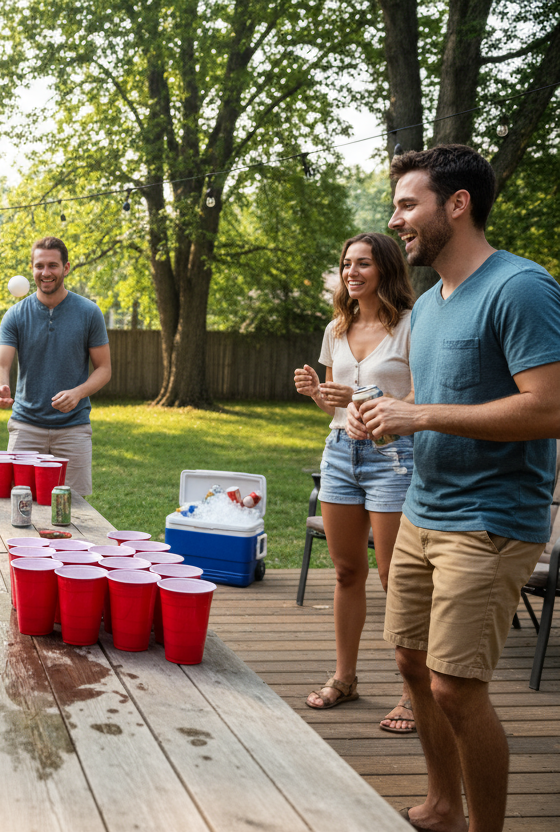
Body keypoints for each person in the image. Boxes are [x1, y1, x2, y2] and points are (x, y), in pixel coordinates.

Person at [353, 144, 560, 832]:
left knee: (456, 687)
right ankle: (443, 806)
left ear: (458, 204)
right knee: (413, 665)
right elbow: (432, 398)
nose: (397, 219)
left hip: (490, 519)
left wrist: (419, 412)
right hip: (423, 509)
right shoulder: (434, 303)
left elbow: (549, 406)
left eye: (408, 205)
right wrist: (386, 417)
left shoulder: (520, 287)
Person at [293, 232, 416, 733]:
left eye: (363, 263)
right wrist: (317, 395)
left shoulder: (411, 327)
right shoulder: (336, 327)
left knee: (396, 577)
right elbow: (335, 403)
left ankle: (414, 695)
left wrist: (360, 396)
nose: (352, 272)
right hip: (340, 455)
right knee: (347, 572)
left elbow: (419, 400)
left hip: (393, 459)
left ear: (385, 268)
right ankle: (346, 678)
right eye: (347, 263)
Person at [0, 236, 111, 496]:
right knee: (19, 503)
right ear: (32, 268)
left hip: (74, 428)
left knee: (75, 509)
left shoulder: (89, 312)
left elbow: (104, 369)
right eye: (39, 266)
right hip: (25, 426)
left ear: (66, 268)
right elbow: (0, 364)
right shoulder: (15, 315)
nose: (46, 273)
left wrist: (78, 393)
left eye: (53, 266)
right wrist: (0, 386)